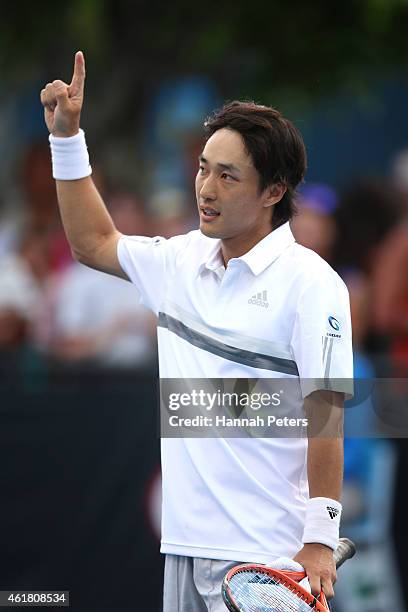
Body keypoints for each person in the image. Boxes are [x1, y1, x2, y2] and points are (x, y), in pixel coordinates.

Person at [40, 51, 353, 611]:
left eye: (227, 176)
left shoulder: (313, 284)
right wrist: (67, 140)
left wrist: (320, 540)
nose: (204, 188)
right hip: (183, 549)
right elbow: (93, 243)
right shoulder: (180, 262)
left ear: (274, 192)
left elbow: (326, 416)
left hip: (266, 558)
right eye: (203, 167)